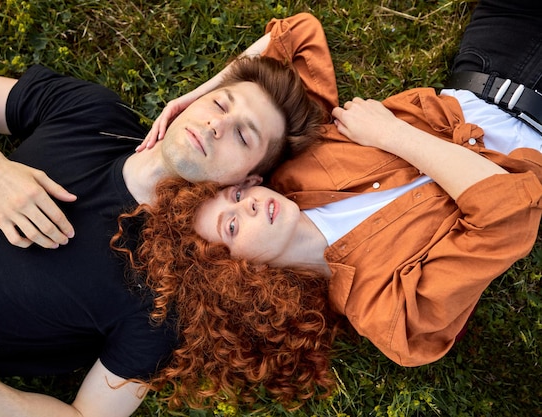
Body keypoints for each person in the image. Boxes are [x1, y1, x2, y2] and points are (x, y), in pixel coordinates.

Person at [0, 20, 326, 417]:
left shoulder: (165, 298)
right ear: (191, 101)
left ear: (250, 179)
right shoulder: (96, 116)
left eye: (243, 135)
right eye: (219, 103)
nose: (218, 125)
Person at [134, 1, 542, 367]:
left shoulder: (297, 165)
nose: (250, 204)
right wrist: (393, 136)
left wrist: (197, 99)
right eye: (233, 225)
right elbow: (508, 213)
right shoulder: (389, 313)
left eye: (237, 195)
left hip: (493, 56)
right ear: (238, 275)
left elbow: (296, 36)